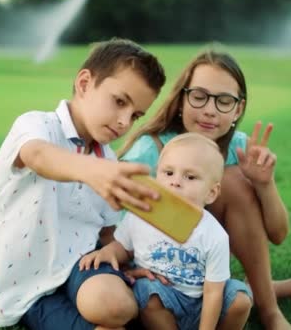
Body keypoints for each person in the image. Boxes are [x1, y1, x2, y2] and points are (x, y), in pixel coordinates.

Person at [118, 49, 291, 330]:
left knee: (235, 182)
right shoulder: (150, 151)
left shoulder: (239, 148)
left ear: (238, 109)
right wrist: (129, 267)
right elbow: (112, 228)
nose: (210, 110)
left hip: (204, 269)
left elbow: (278, 234)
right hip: (158, 272)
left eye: (224, 101)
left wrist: (264, 184)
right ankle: (265, 288)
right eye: (199, 96)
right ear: (181, 100)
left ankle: (269, 308)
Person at [0, 38, 166, 329]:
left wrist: (133, 263)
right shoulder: (37, 125)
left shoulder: (108, 161)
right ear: (84, 83)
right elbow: (38, 155)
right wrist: (92, 170)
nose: (124, 122)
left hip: (83, 264)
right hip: (31, 287)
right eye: (119, 102)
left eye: (135, 115)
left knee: (115, 305)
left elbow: (107, 234)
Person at [80, 133, 253, 330]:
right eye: (168, 173)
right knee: (148, 291)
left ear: (211, 193)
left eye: (190, 176)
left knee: (240, 299)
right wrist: (108, 252)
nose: (176, 181)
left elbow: (214, 291)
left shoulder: (214, 234)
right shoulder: (141, 216)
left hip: (202, 301)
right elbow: (124, 248)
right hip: (163, 301)